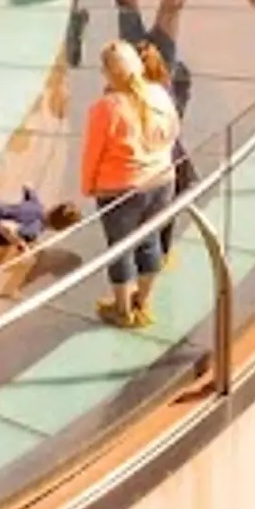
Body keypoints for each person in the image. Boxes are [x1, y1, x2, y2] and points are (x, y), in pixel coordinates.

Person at [78, 43, 183, 329]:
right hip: (162, 181)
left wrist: (88, 186)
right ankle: (142, 301)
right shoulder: (159, 94)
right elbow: (174, 131)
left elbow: (93, 153)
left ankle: (122, 310)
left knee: (120, 249)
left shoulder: (106, 107)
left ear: (108, 72)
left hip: (121, 190)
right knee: (149, 242)